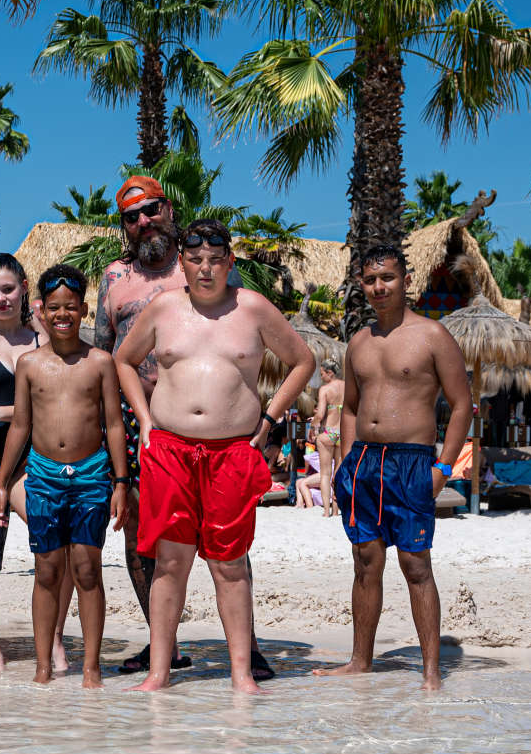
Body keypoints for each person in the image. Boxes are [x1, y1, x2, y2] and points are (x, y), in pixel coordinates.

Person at [115, 218, 315, 694]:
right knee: (170, 562)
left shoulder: (253, 308)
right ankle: (159, 672)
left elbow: (303, 361)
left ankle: (242, 673)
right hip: (169, 448)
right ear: (182, 262)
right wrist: (143, 419)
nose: (205, 269)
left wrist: (268, 421)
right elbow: (123, 360)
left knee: (230, 563)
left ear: (229, 262)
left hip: (233, 450)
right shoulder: (164, 307)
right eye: (196, 259)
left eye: (215, 260)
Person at [95, 177, 278, 680]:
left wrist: (265, 418)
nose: (143, 221)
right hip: (146, 423)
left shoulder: (202, 261)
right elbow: (105, 353)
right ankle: (163, 650)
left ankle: (249, 649)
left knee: (228, 546)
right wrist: (130, 421)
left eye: (150, 210)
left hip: (221, 430)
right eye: (131, 216)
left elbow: (243, 333)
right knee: (146, 539)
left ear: (168, 209)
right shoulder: (115, 277)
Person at [312, 243, 472, 692]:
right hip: (363, 462)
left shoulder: (432, 336)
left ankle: (431, 671)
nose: (379, 287)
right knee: (365, 562)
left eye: (388, 278)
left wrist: (443, 467)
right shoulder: (358, 343)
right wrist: (344, 459)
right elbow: (350, 406)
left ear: (406, 282)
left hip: (412, 461)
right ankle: (361, 661)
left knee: (415, 563)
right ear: (361, 284)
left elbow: (462, 406)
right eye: (370, 280)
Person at [0, 265, 129, 687]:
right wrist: (1, 482)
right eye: (54, 308)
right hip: (44, 475)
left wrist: (121, 483)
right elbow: (20, 425)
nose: (62, 315)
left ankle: (91, 666)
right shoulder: (30, 364)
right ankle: (42, 666)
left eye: (71, 307)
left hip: (91, 475)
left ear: (84, 310)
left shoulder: (100, 362)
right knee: (47, 569)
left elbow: (114, 424)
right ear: (42, 311)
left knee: (88, 569)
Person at [0, 252, 72, 673]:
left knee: (59, 546)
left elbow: (52, 403)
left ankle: (55, 640)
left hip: (31, 457)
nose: (1, 298)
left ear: (24, 287)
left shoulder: (43, 339)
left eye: (8, 289)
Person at [313, 358, 344, 516]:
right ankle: (337, 510)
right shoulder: (347, 387)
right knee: (338, 473)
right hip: (343, 433)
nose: (321, 377)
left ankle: (326, 511)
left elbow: (320, 414)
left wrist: (314, 426)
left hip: (329, 432)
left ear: (330, 373)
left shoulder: (325, 389)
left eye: (322, 374)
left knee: (326, 474)